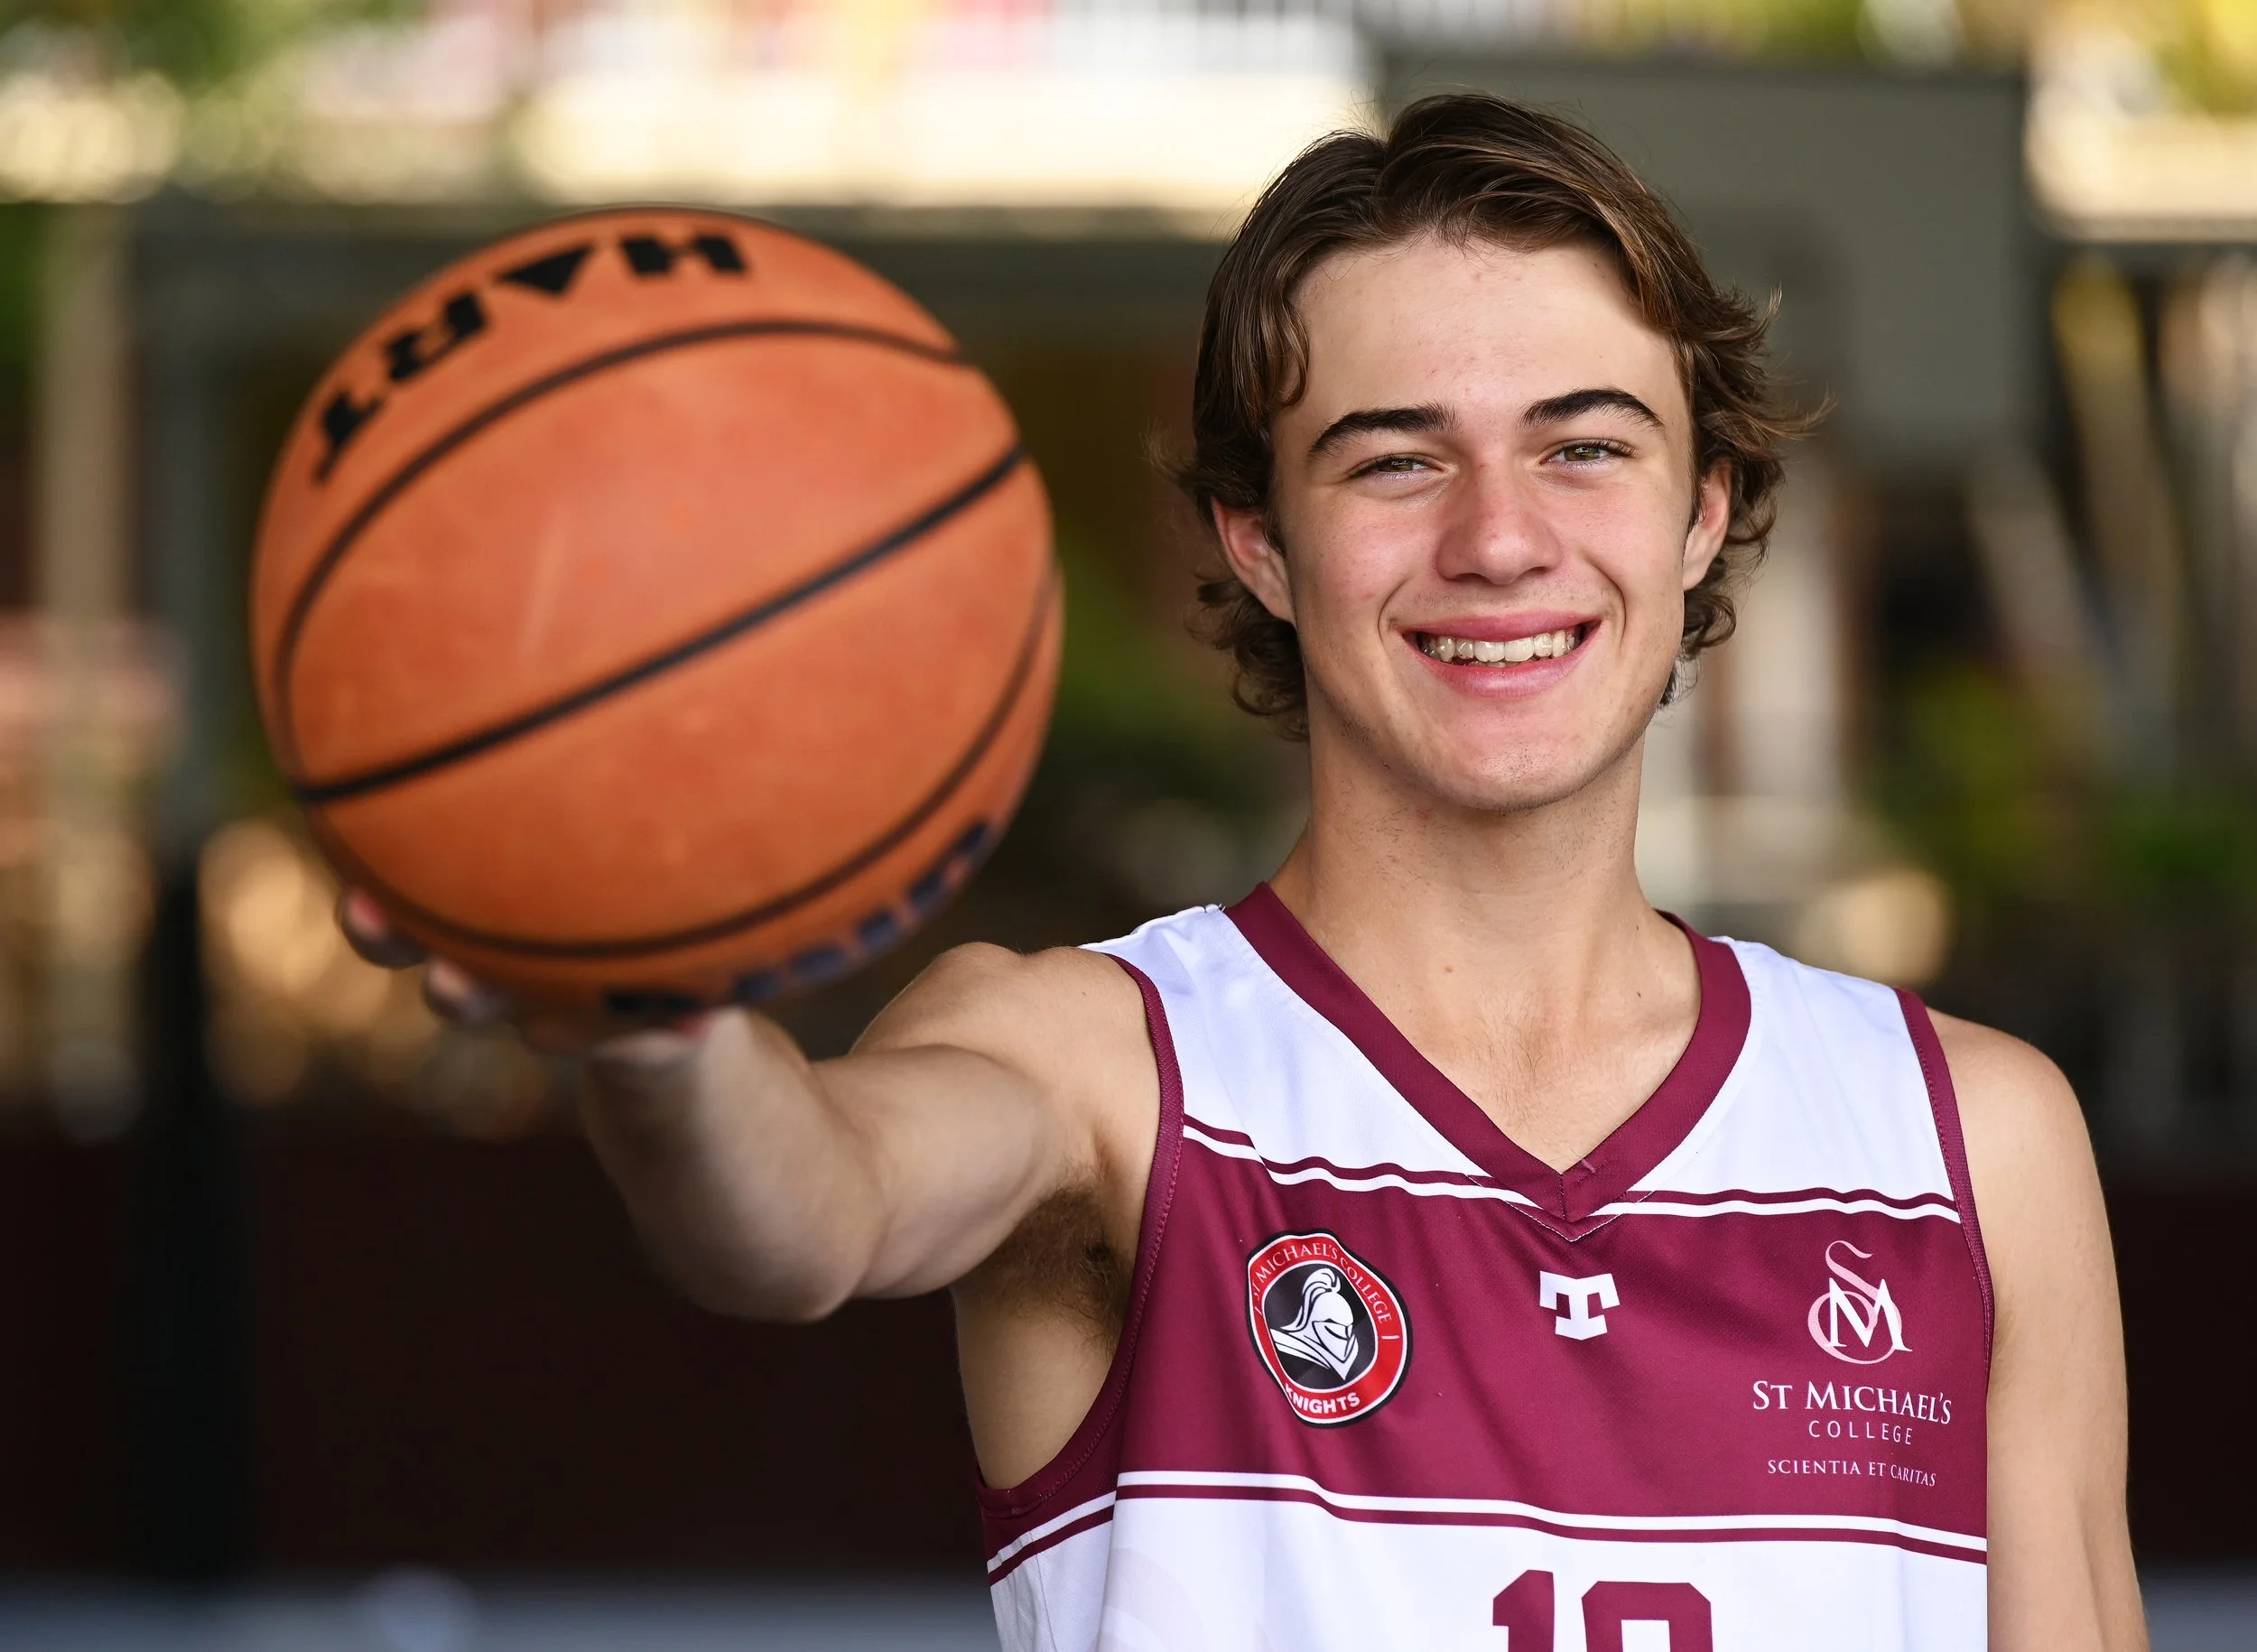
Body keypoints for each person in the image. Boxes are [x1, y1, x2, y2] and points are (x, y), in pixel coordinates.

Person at [342, 94, 2143, 1651]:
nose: (1499, 537)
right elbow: (797, 1212)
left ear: (1694, 512)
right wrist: (650, 1018)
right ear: (1257, 541)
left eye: (1581, 447)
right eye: (1390, 461)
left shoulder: (1965, 1143)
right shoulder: (1109, 1074)